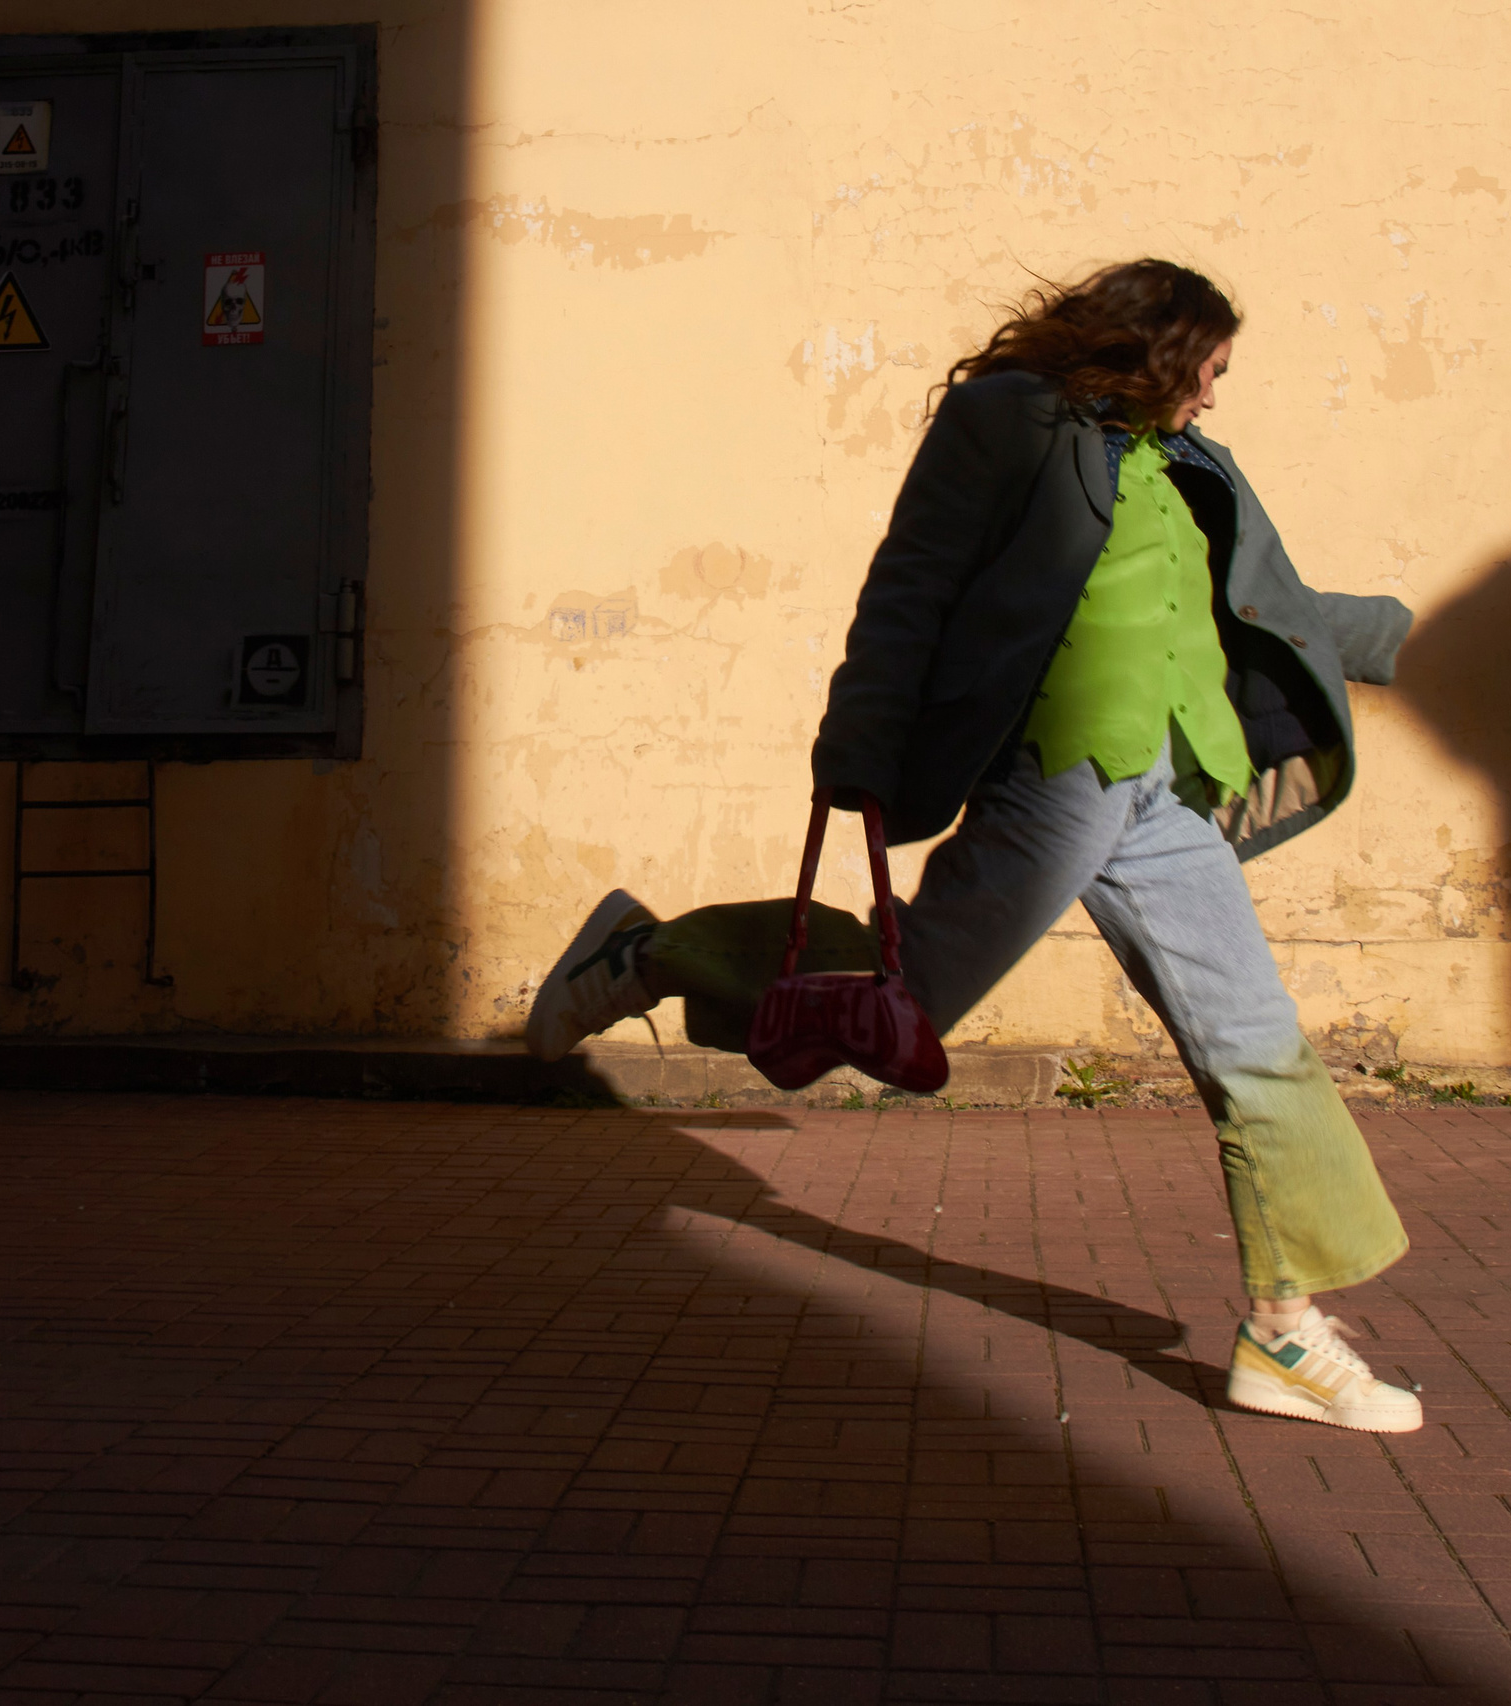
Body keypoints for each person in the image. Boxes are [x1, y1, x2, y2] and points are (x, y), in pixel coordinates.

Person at [523, 259, 1423, 1434]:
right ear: (1155, 346)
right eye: (1207, 370)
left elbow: (1259, 596)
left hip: (1170, 784)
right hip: (1052, 775)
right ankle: (654, 953)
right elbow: (913, 581)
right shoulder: (1007, 419)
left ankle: (1287, 1330)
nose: (1214, 395)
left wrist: (1395, 632)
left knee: (1258, 1043)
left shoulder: (1182, 457)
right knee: (891, 1008)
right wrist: (857, 741)